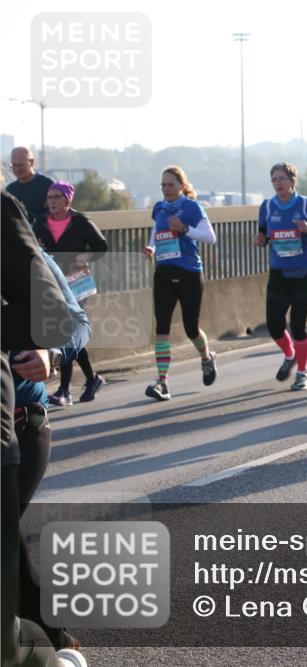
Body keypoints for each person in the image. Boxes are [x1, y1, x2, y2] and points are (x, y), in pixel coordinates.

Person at [2, 190, 81, 667]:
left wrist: (51, 353)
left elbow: (71, 319)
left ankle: (51, 649)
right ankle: (56, 645)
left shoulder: (18, 240)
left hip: (21, 424)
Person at [143, 166, 218, 401]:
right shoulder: (159, 208)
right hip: (164, 272)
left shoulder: (192, 207)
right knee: (162, 327)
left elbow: (210, 237)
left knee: (190, 328)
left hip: (189, 272)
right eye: (163, 185)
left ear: (182, 186)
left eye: (171, 185)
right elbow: (157, 231)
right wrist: (151, 247)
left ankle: (206, 358)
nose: (166, 189)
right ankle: (162, 382)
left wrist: (185, 229)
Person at [255, 162, 307, 391]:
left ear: (292, 180)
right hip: (279, 272)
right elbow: (263, 234)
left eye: (282, 178)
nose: (278, 183)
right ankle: (290, 355)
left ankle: (302, 373)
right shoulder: (267, 207)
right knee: (274, 326)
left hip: (305, 271)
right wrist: (261, 240)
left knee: (298, 326)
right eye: (274, 179)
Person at [32, 181, 109, 405]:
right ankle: (92, 378)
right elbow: (31, 245)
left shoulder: (81, 222)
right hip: (54, 282)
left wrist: (87, 257)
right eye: (49, 198)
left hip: (77, 283)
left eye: (57, 197)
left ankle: (64, 390)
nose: (52, 201)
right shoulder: (40, 223)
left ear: (68, 200)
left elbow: (101, 246)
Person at [5, 147, 53, 223]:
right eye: (14, 165)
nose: (17, 169)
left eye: (21, 165)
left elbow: (57, 214)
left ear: (32, 162)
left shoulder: (47, 185)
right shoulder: (10, 190)